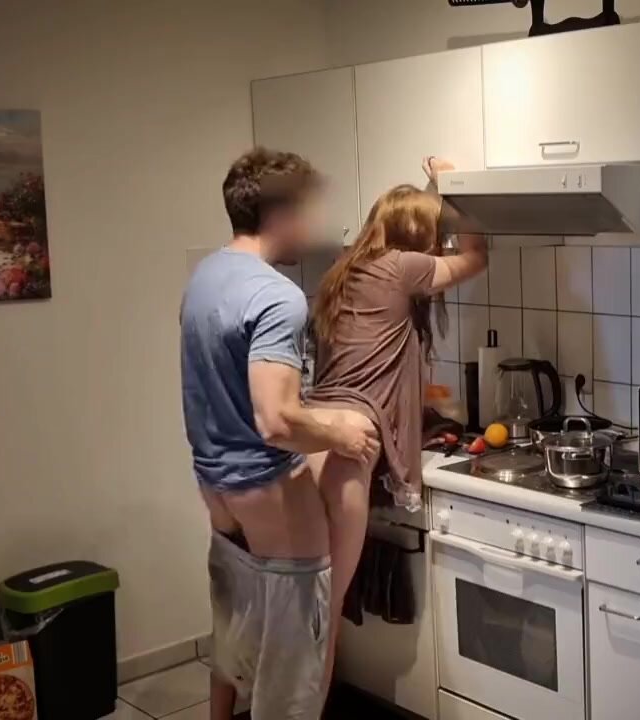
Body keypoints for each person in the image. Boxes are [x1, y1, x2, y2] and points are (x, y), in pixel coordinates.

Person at [180, 147, 380, 720]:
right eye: (307, 212)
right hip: (270, 497)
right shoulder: (276, 295)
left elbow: (233, 393)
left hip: (219, 492)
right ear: (281, 214)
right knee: (292, 681)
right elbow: (277, 420)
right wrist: (340, 432)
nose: (312, 227)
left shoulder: (205, 277)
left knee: (235, 649)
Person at [306, 158, 489, 694]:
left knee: (307, 604)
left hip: (313, 433)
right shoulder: (403, 268)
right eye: (434, 236)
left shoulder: (345, 268)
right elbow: (476, 257)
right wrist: (457, 184)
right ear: (418, 239)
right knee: (324, 616)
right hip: (350, 443)